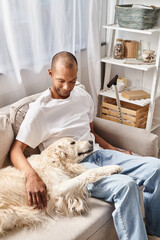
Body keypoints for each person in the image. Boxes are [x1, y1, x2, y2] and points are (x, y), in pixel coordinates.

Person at [10, 51, 160, 240]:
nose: (67, 87)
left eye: (72, 81)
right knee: (126, 185)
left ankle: (154, 232)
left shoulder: (82, 96)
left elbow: (91, 133)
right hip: (74, 168)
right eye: (61, 80)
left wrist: (114, 150)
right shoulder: (39, 110)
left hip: (99, 154)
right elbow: (16, 150)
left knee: (156, 167)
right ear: (50, 73)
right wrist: (32, 176)